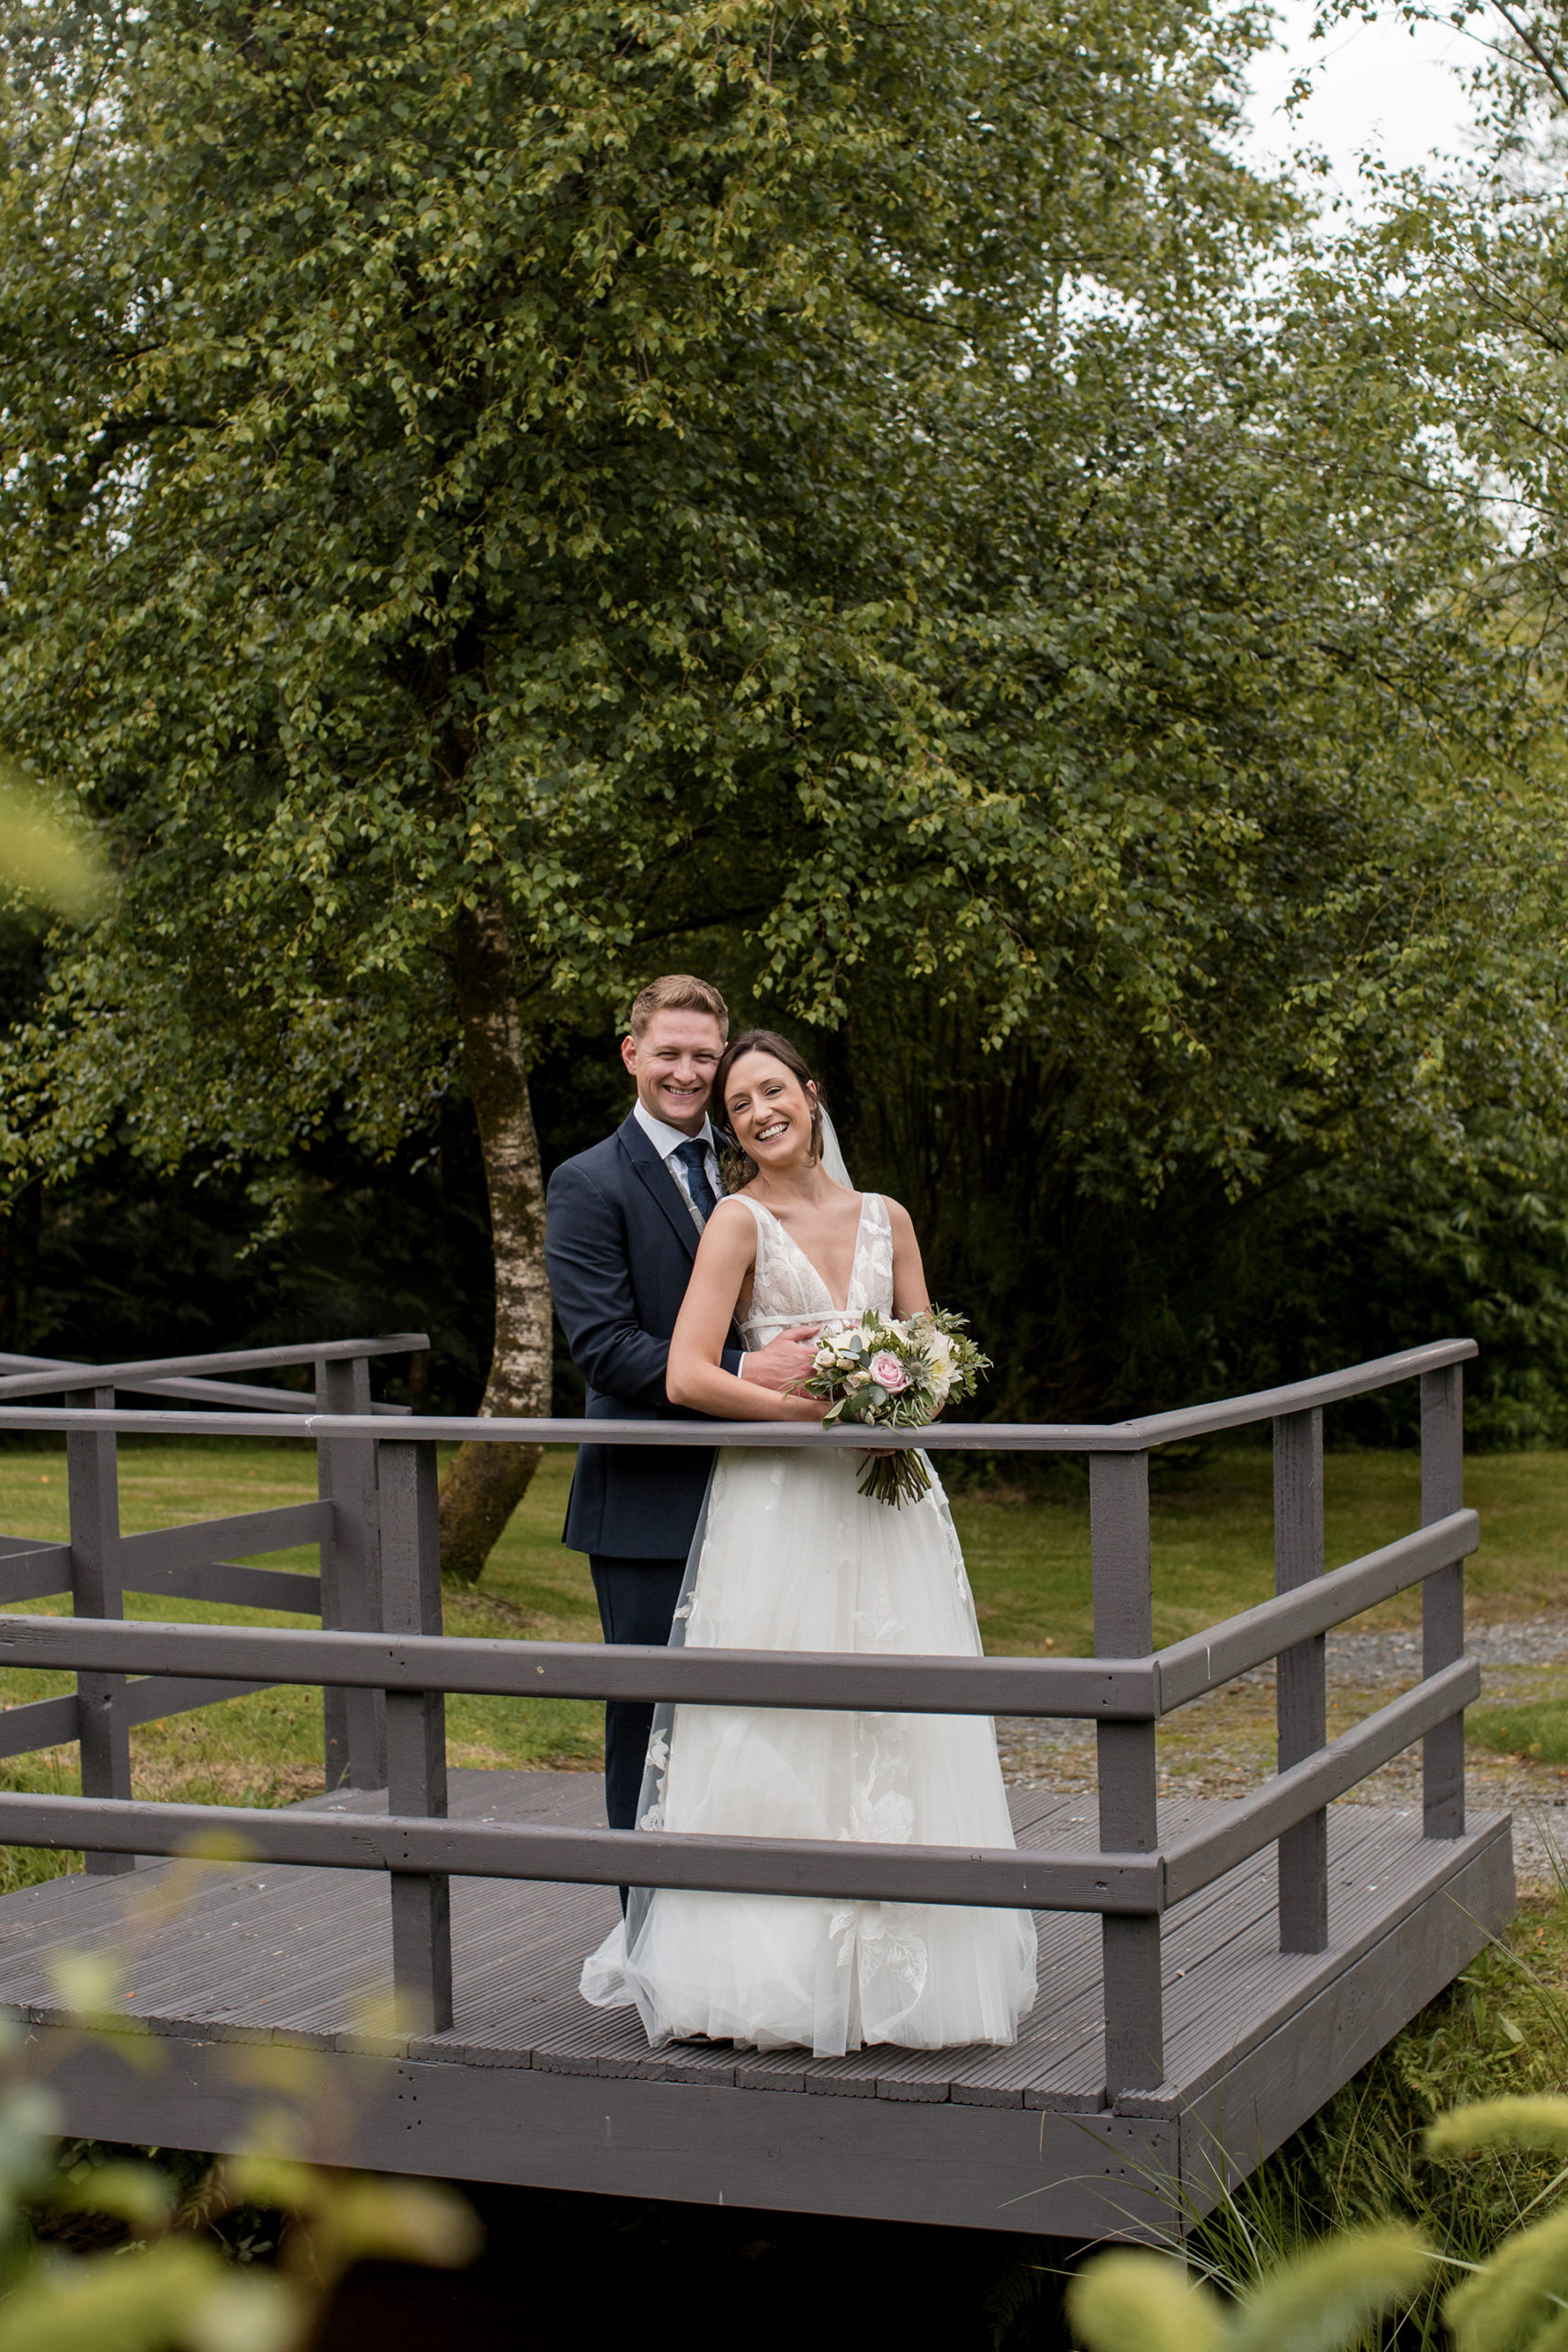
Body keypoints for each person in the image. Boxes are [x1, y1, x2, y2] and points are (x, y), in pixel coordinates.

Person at [580, 1027, 1038, 2056]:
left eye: (770, 1090)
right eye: (739, 1106)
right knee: (773, 1718)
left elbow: (936, 1349)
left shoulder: (890, 1217)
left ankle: (903, 1974)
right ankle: (768, 1978)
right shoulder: (736, 1223)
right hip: (777, 1500)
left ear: (811, 1092)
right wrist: (815, 1417)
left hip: (889, 1503)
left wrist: (909, 1386)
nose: (756, 1112)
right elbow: (693, 1374)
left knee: (899, 1706)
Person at [544, 976, 821, 1838]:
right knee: (649, 1724)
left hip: (771, 1495)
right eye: (668, 1052)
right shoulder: (588, 1182)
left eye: (705, 1055)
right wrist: (752, 1368)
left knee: (755, 1726)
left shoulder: (752, 1164)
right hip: (648, 1500)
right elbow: (603, 1348)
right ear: (633, 1054)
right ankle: (640, 1933)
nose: (687, 1072)